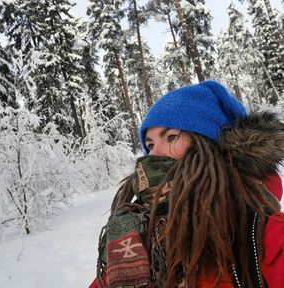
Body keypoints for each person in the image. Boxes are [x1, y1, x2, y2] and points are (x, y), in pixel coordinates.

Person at [89, 80, 284, 288]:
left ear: (210, 144)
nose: (153, 154)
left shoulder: (258, 232)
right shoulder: (138, 230)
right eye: (150, 144)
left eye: (171, 137)